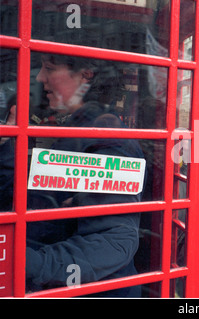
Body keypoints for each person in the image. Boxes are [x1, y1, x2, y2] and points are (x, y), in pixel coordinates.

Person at [0, 54, 144, 297]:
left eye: (49, 68)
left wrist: (20, 262)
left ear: (85, 75)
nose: (39, 77)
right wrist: (10, 139)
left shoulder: (105, 135)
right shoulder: (75, 129)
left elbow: (113, 241)